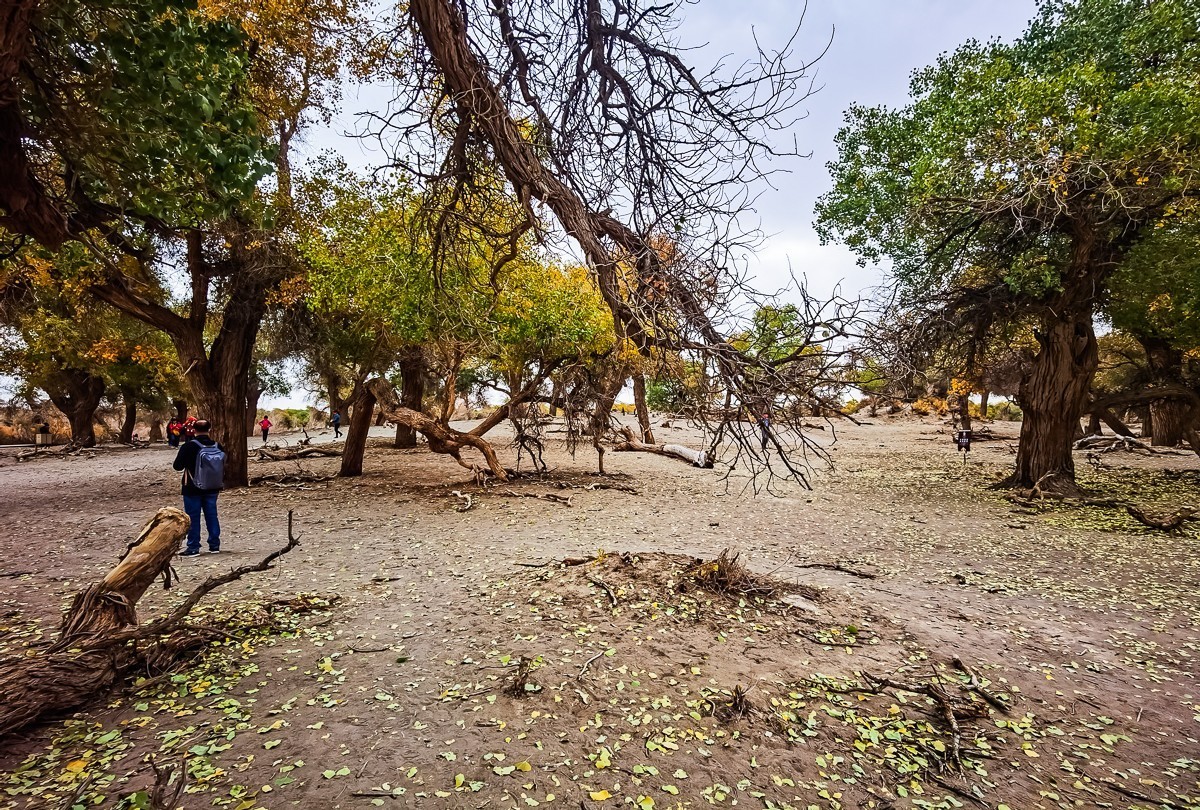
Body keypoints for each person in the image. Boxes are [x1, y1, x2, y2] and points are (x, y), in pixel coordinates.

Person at [172, 419, 224, 556]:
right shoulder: (218, 446)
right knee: (212, 515)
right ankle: (214, 545)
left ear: (194, 430)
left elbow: (177, 466)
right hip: (213, 487)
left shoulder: (188, 446)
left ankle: (193, 547)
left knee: (193, 517)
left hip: (192, 487)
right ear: (210, 429)